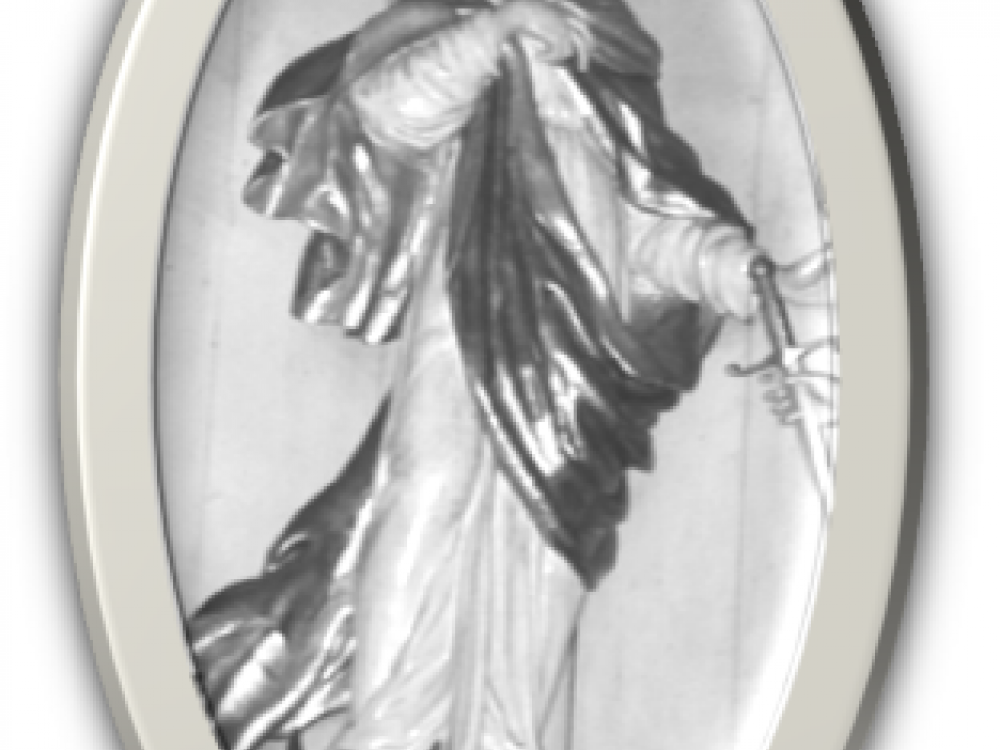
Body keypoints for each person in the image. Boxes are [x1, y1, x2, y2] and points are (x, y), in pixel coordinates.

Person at [236, 2, 774, 749]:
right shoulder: (463, 26)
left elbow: (645, 224)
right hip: (465, 321)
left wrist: (724, 265)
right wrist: (495, 32)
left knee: (548, 544)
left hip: (577, 372)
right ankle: (387, 727)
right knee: (428, 487)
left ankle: (502, 734)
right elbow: (387, 114)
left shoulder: (608, 60)